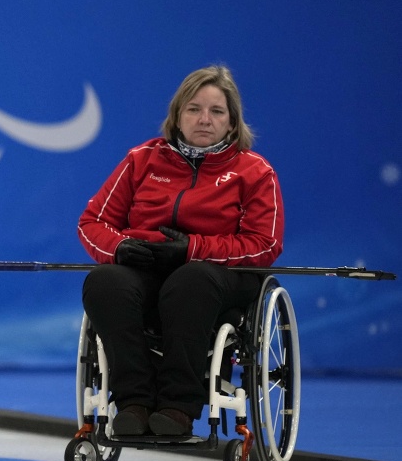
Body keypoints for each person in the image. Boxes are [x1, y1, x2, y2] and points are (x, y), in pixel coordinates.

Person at [78, 65, 284, 437]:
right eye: (194, 109)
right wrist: (121, 248)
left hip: (220, 277)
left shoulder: (254, 172)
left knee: (192, 279)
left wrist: (192, 248)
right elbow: (92, 223)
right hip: (149, 269)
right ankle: (134, 403)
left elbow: (264, 244)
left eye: (216, 111)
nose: (204, 119)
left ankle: (177, 407)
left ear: (232, 122)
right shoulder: (141, 159)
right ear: (177, 116)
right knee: (105, 281)